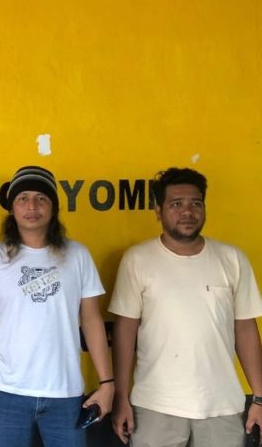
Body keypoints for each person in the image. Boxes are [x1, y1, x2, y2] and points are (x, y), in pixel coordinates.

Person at [110, 167, 262, 446]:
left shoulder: (232, 259)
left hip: (222, 405)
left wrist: (260, 398)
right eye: (176, 204)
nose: (187, 212)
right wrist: (121, 397)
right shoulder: (138, 260)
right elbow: (124, 332)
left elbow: (245, 329)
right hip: (155, 405)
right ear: (158, 211)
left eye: (196, 203)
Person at [0, 165, 114, 447]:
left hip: (65, 393)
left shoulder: (78, 255)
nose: (32, 206)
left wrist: (107, 383)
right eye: (23, 198)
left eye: (41, 198)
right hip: (8, 393)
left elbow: (92, 320)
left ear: (53, 208)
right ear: (12, 208)